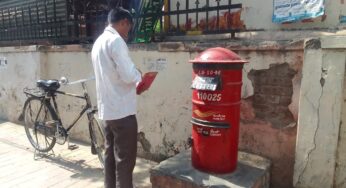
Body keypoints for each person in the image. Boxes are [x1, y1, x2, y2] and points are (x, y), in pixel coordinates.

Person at [91, 7, 142, 188]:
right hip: (122, 111)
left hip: (107, 111)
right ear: (123, 23)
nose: (128, 31)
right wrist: (140, 76)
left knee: (110, 157)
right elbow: (129, 75)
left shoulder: (98, 42)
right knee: (125, 162)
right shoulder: (116, 41)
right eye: (128, 27)